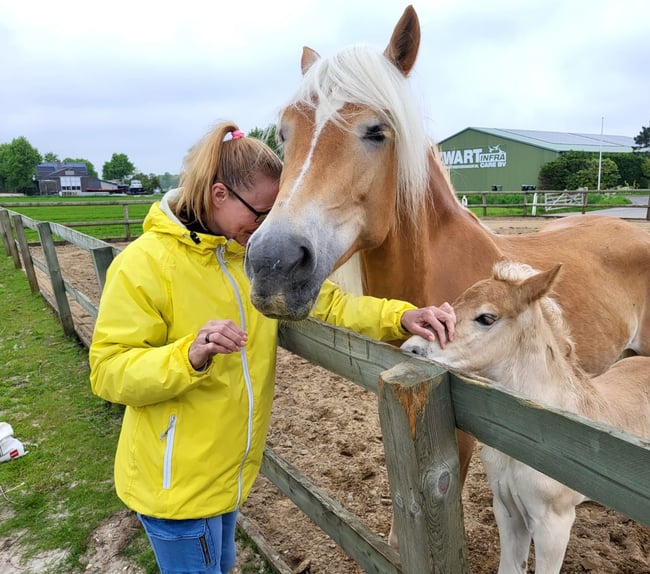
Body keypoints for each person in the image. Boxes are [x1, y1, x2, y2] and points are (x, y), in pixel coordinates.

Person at [89, 121, 456, 574]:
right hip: (174, 489)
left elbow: (330, 302)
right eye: (260, 213)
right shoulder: (142, 265)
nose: (266, 227)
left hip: (227, 480)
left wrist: (399, 315)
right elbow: (109, 371)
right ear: (219, 196)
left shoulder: (248, 261)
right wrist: (189, 355)